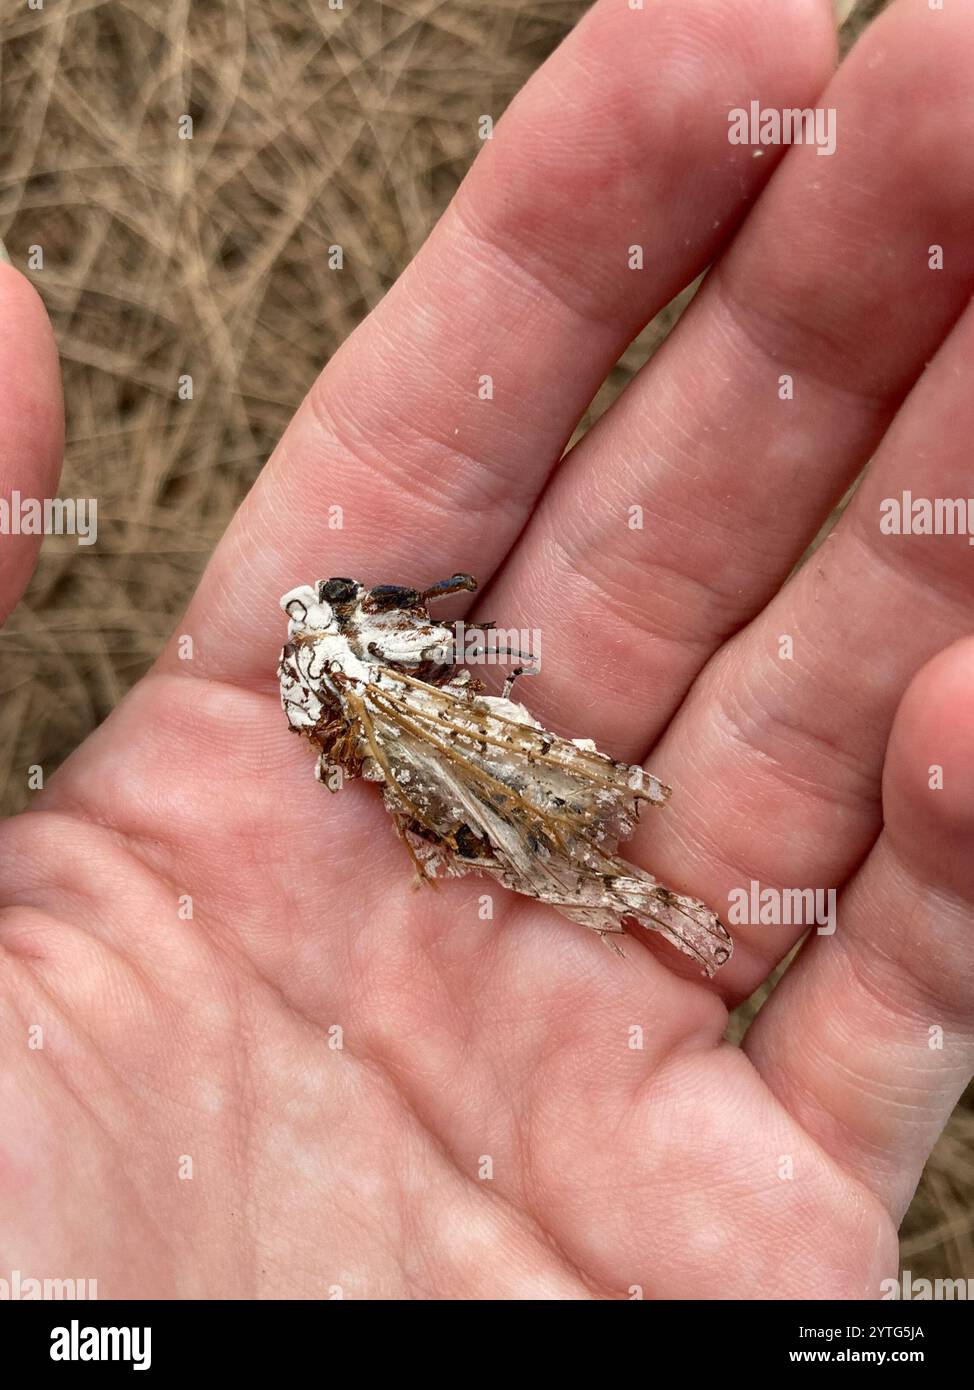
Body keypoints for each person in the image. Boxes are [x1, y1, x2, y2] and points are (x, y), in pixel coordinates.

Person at [1, 0, 972, 1298]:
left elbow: (393, 669)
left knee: (571, 817)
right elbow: (373, 716)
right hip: (453, 769)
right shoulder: (340, 695)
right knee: (560, 828)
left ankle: (612, 864)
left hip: (476, 760)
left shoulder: (355, 671)